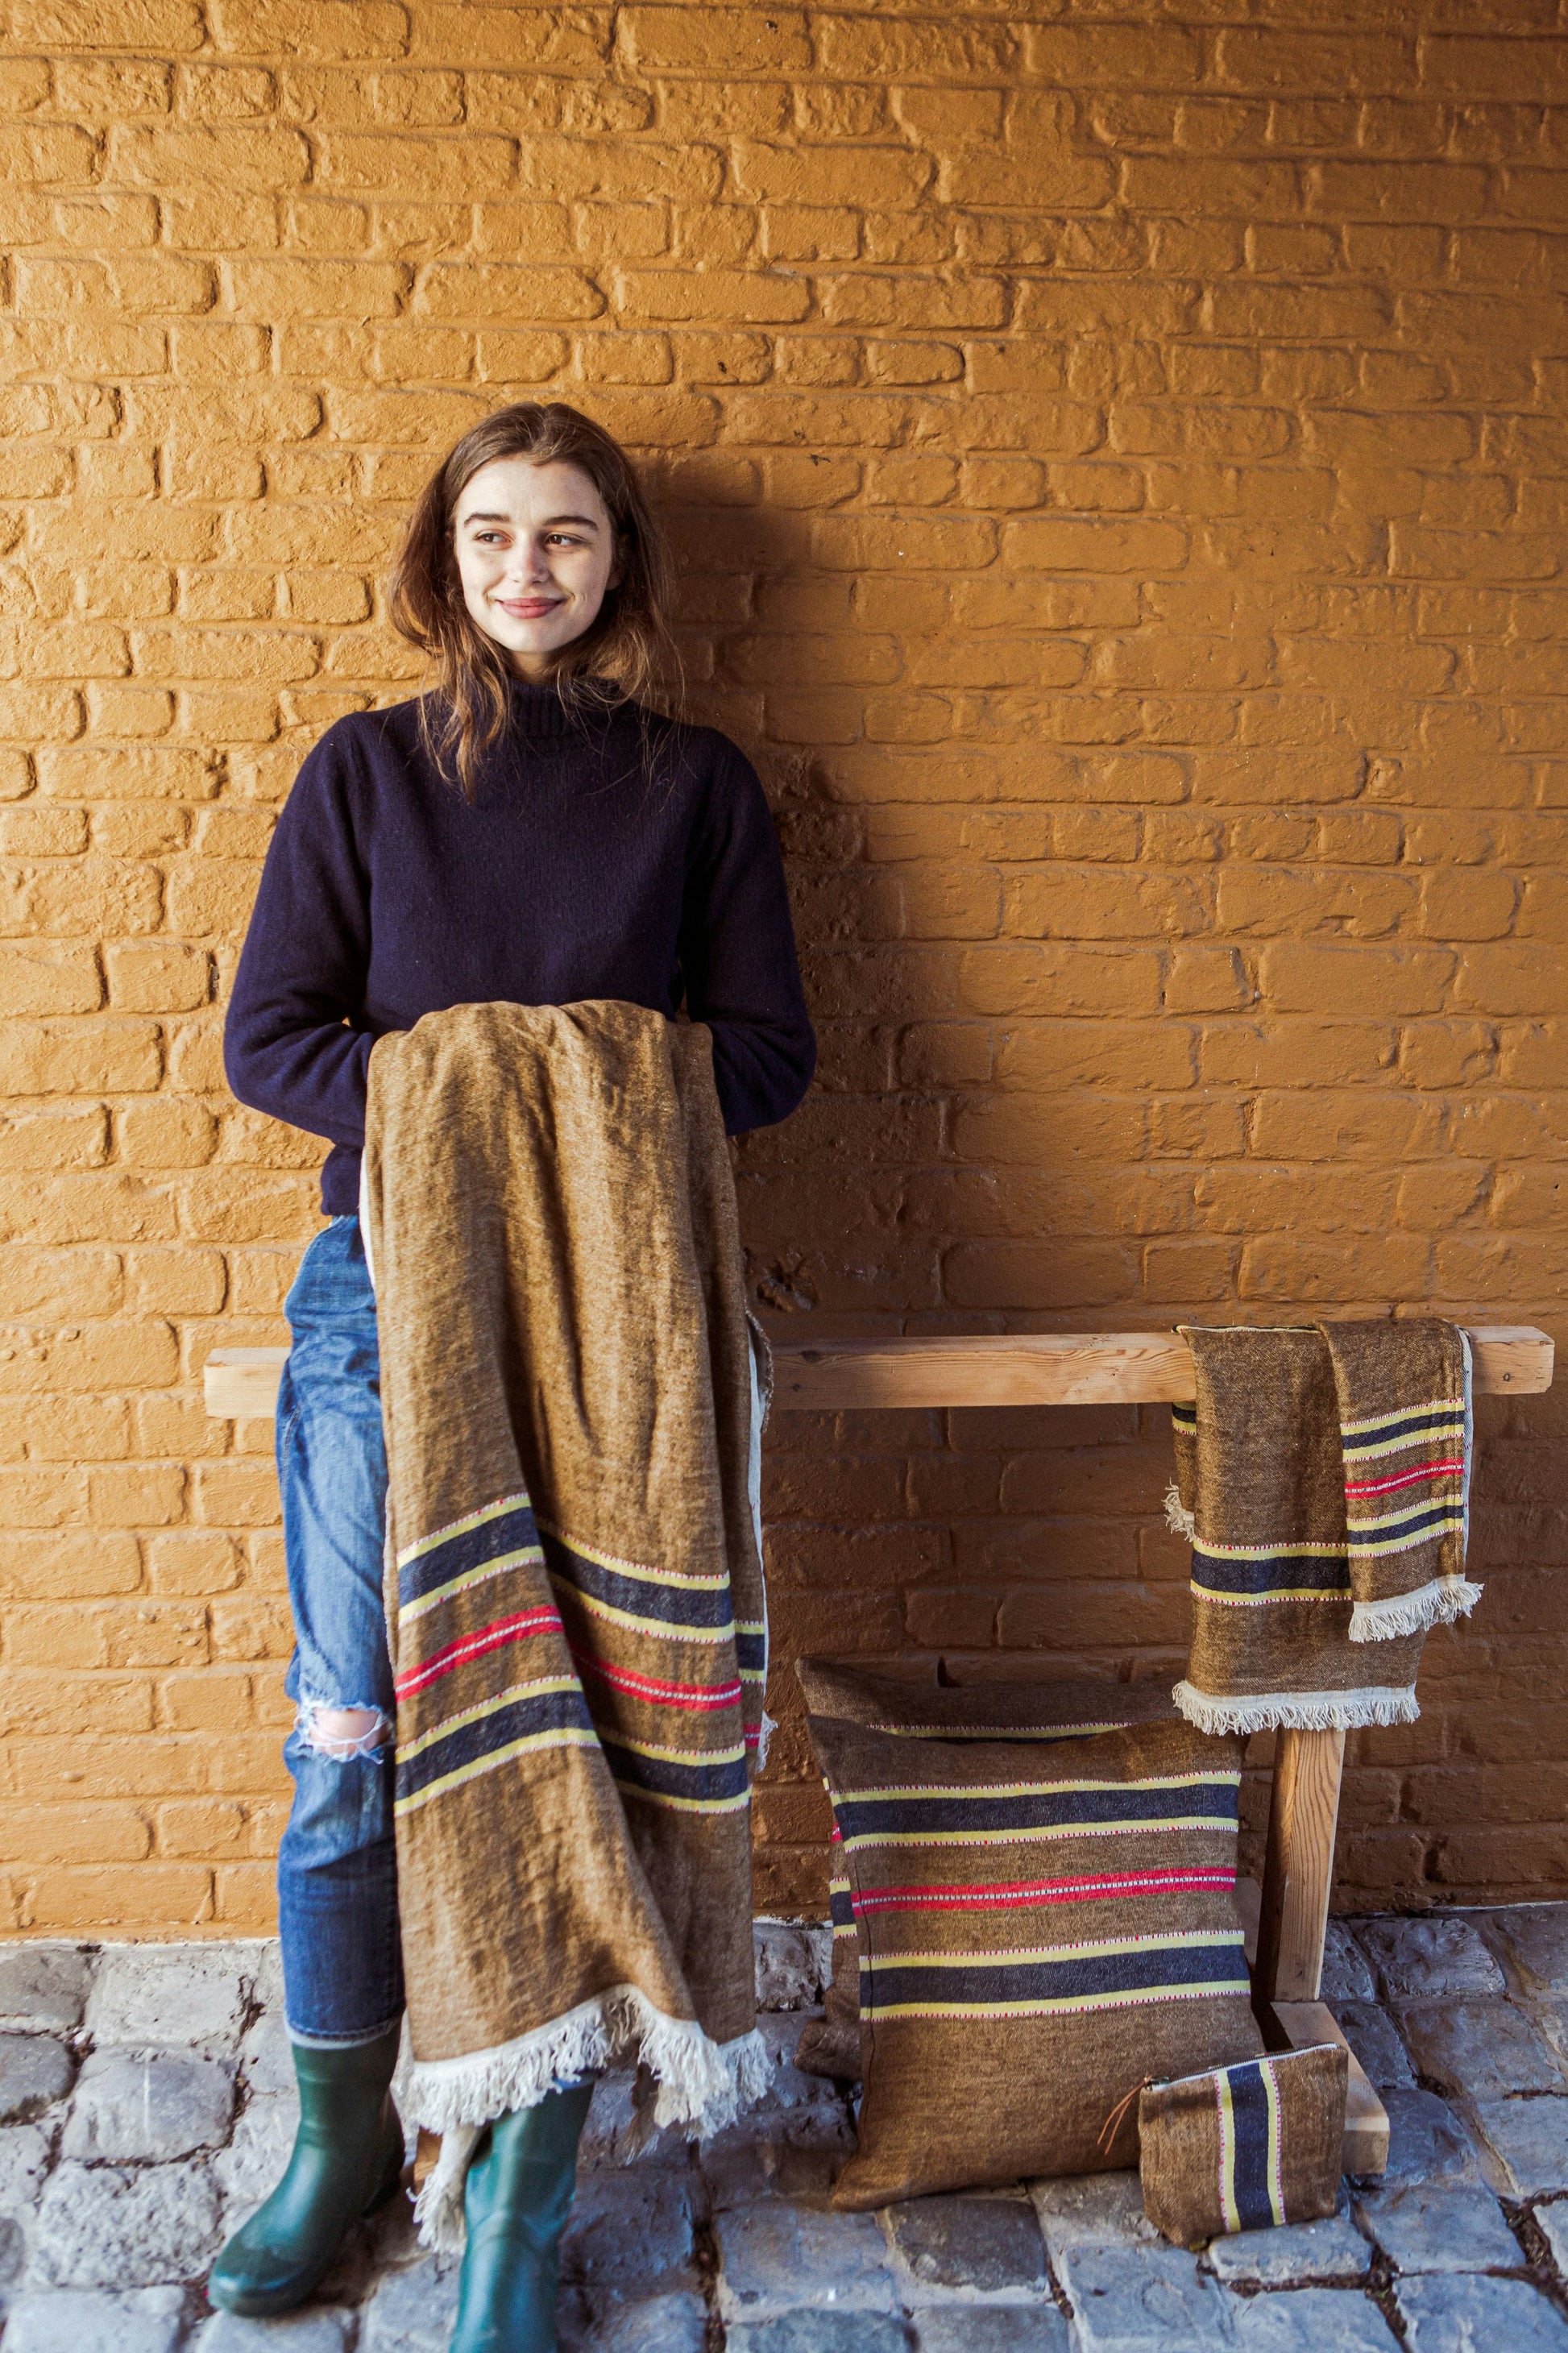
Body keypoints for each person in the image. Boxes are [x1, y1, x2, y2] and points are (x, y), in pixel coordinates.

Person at [213, 401, 815, 2349]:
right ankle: (335, 2152)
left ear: (617, 561)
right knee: (353, 1737)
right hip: (382, 1301)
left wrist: (579, 1127)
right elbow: (273, 1036)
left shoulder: (696, 788)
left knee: (590, 1744)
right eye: (490, 536)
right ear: (444, 560)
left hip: (624, 1316)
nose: (527, 569)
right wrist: (468, 1117)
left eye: (564, 536)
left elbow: (767, 1054)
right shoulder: (367, 777)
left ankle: (513, 2222)